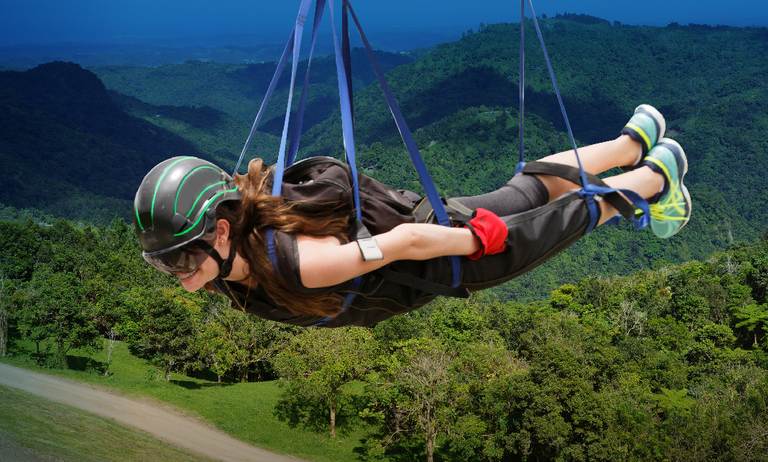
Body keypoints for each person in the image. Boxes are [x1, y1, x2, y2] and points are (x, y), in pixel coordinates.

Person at [133, 105, 691, 327]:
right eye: (163, 264)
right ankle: (629, 144)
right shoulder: (244, 246)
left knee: (559, 223)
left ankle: (655, 176)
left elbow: (398, 245)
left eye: (182, 256)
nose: (178, 272)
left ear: (222, 230)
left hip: (440, 255)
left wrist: (472, 245)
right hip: (431, 215)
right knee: (527, 190)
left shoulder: (298, 264)